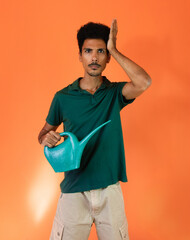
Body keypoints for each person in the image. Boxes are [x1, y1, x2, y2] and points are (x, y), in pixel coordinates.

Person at [38, 19, 151, 240]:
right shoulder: (62, 98)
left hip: (110, 190)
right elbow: (42, 134)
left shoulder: (114, 93)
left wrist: (114, 49)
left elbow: (143, 82)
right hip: (74, 190)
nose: (94, 57)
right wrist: (47, 139)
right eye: (88, 51)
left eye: (101, 51)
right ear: (80, 55)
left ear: (107, 57)